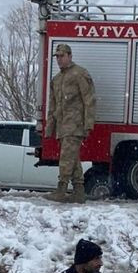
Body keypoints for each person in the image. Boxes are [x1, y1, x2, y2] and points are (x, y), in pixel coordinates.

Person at [47, 44, 97, 203]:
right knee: (73, 157)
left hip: (75, 124)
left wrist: (88, 124)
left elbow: (89, 100)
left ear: (70, 56)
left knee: (66, 157)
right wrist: (50, 127)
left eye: (62, 56)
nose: (59, 60)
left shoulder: (79, 74)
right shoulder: (57, 79)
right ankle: (79, 192)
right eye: (57, 57)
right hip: (62, 125)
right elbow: (53, 105)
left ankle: (61, 190)